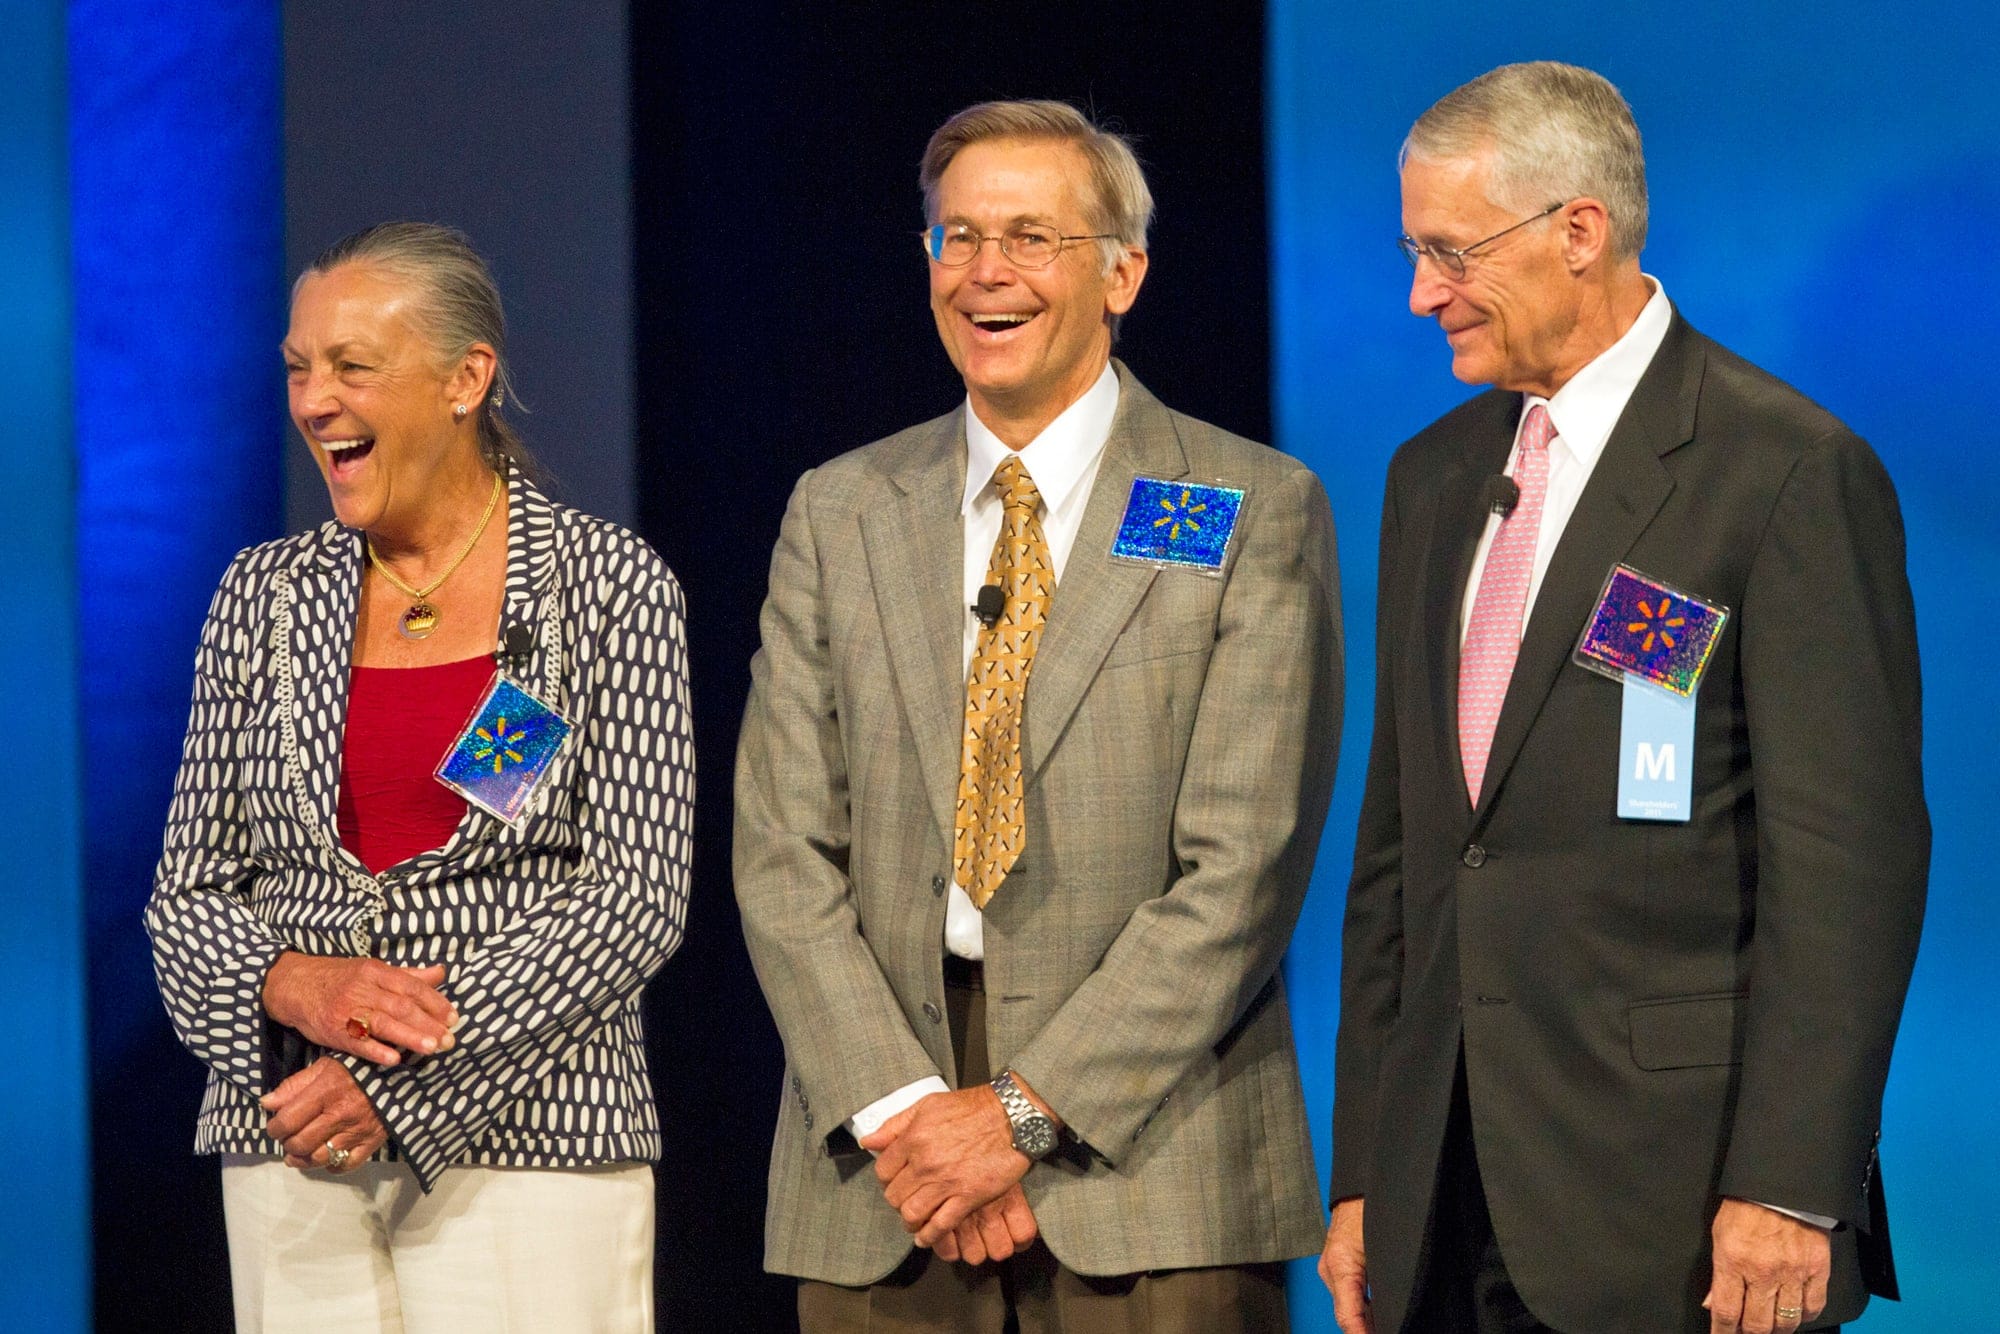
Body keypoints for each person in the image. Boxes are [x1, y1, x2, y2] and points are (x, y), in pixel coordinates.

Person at [1320, 62, 1927, 1334]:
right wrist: (1366, 1169)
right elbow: (1401, 859)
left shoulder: (1783, 468)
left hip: (1682, 1209)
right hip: (1444, 1205)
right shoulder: (1428, 478)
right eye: (1410, 250)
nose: (1420, 292)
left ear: (1576, 232)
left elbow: (1846, 869)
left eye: (1447, 251)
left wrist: (1788, 1184)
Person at [734, 99, 1343, 1330]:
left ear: (1124, 272)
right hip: (884, 1175)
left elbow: (1240, 872)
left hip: (1151, 1162)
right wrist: (910, 1113)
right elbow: (782, 848)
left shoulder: (1248, 504)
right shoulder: (838, 509)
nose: (985, 273)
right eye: (955, 238)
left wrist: (1016, 1113)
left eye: (1029, 236)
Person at [145, 221, 692, 1332]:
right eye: (299, 367)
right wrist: (297, 984)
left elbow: (632, 897)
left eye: (352, 366)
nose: (313, 400)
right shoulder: (260, 598)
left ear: (464, 378)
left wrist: (398, 1082)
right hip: (292, 1135)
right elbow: (184, 903)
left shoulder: (605, 589)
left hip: (531, 1141)